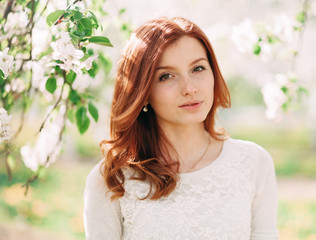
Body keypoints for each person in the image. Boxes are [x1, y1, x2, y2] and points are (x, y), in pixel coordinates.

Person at [83, 17, 279, 240]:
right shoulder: (112, 180)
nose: (189, 88)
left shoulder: (253, 163)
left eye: (198, 68)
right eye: (166, 76)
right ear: (143, 92)